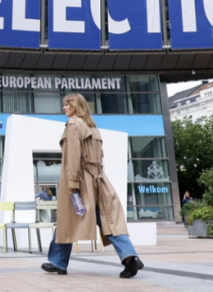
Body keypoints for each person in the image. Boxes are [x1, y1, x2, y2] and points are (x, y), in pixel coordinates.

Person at [41, 93, 144, 279]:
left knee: (70, 219)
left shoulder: (73, 125)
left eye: (67, 105)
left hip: (82, 181)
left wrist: (73, 185)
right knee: (106, 220)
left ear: (75, 106)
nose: (64, 108)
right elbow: (99, 156)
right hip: (98, 179)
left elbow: (73, 156)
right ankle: (129, 258)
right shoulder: (93, 127)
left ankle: (59, 262)